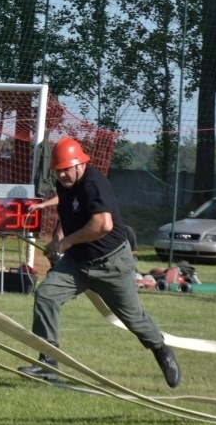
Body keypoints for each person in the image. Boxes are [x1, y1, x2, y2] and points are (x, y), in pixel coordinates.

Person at [17, 137, 181, 388]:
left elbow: (102, 225)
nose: (61, 174)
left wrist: (67, 242)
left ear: (80, 164)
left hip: (112, 263)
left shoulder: (94, 183)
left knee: (133, 319)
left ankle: (161, 351)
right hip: (77, 264)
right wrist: (57, 240)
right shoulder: (65, 183)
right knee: (46, 296)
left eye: (65, 169)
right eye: (57, 170)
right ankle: (48, 363)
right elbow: (68, 212)